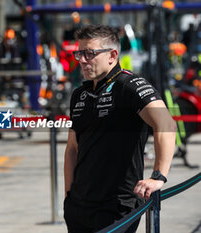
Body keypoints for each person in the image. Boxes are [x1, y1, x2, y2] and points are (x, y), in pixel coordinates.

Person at [64, 24, 176, 233]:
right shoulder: (79, 94)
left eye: (90, 54)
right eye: (79, 53)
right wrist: (68, 196)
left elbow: (166, 124)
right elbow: (72, 147)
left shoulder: (130, 85)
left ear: (112, 55)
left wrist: (158, 176)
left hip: (116, 207)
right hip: (78, 207)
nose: (82, 60)